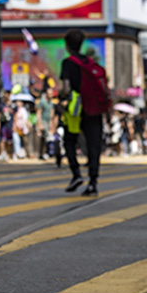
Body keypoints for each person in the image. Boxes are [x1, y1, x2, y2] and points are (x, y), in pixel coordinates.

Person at [59, 29, 102, 196]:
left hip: (76, 108)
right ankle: (93, 182)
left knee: (69, 140)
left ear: (67, 45)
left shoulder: (68, 63)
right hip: (94, 107)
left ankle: (76, 174)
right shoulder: (90, 62)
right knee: (93, 144)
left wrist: (63, 98)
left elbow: (66, 88)